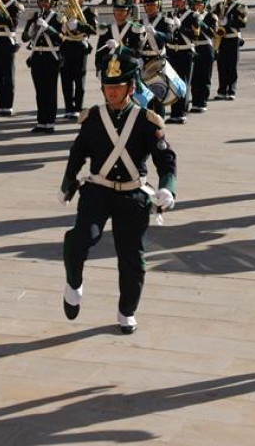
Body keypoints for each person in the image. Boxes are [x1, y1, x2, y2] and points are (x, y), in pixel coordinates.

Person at [59, 47, 178, 335]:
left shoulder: (146, 121)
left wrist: (168, 189)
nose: (111, 93)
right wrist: (68, 182)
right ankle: (73, 282)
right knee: (80, 240)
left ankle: (127, 311)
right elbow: (77, 154)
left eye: (118, 87)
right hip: (97, 190)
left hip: (133, 195)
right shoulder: (94, 118)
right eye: (107, 87)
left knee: (132, 259)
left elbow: (166, 160)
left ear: (131, 86)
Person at [22, 0, 65, 133]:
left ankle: (50, 122)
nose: (43, 4)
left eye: (46, 1)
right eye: (41, 1)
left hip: (51, 56)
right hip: (37, 57)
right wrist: (31, 29)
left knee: (50, 90)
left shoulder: (58, 18)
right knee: (39, 90)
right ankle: (41, 121)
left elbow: (62, 38)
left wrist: (49, 28)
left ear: (52, 2)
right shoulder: (35, 16)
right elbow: (24, 37)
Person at [60, 0, 98, 120]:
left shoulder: (89, 12)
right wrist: (63, 28)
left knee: (79, 80)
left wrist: (80, 26)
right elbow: (59, 28)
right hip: (66, 47)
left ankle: (77, 108)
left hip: (81, 47)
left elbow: (94, 29)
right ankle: (68, 107)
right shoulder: (66, 11)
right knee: (66, 80)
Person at [212, 0, 247, 100]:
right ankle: (222, 90)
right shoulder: (217, 6)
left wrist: (229, 22)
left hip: (233, 38)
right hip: (220, 40)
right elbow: (210, 19)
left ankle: (231, 90)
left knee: (232, 65)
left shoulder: (240, 7)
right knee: (221, 65)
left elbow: (243, 23)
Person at [95, 0, 144, 76]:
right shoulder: (107, 30)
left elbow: (138, 53)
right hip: (110, 71)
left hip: (128, 69)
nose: (119, 13)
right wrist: (99, 69)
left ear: (129, 12)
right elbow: (99, 53)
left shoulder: (135, 29)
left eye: (122, 10)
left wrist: (121, 48)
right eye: (117, 10)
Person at [166, 0, 195, 124]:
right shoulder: (170, 15)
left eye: (180, 0)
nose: (177, 3)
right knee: (172, 82)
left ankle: (181, 112)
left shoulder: (192, 16)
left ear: (186, 1)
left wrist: (181, 28)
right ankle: (174, 112)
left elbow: (195, 35)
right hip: (172, 52)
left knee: (182, 83)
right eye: (175, 0)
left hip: (185, 51)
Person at [188, 0, 217, 113]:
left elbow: (213, 33)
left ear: (205, 4)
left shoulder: (211, 16)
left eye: (200, 4)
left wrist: (202, 24)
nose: (198, 6)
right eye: (196, 4)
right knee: (194, 78)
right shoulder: (191, 16)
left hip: (206, 47)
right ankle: (195, 102)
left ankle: (203, 101)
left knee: (205, 77)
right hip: (195, 47)